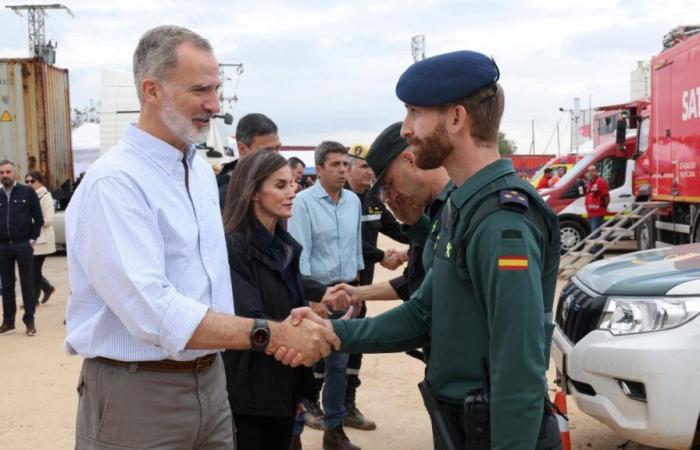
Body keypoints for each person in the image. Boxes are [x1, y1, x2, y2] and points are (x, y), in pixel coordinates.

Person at [63, 25, 339, 450]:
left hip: (212, 381)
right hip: (140, 395)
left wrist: (284, 319)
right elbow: (155, 313)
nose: (215, 105)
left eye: (217, 89)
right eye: (201, 90)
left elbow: (215, 285)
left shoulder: (198, 175)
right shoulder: (116, 183)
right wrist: (271, 333)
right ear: (152, 90)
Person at [292, 50, 562, 450]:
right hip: (461, 424)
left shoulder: (502, 221)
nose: (405, 129)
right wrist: (332, 331)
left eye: (415, 113)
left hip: (492, 433)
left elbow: (518, 369)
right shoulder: (461, 207)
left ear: (456, 119)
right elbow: (422, 314)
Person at [221, 151, 317, 450]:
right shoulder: (232, 247)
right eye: (280, 185)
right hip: (248, 394)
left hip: (281, 387)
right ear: (252, 193)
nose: (292, 192)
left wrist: (296, 388)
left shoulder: (285, 248)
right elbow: (250, 318)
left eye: (293, 183)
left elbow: (290, 310)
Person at [288, 141, 363, 450]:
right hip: (316, 296)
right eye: (335, 165)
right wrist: (311, 297)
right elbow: (299, 252)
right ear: (318, 169)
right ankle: (293, 435)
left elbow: (355, 245)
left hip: (345, 295)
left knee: (338, 366)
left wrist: (357, 287)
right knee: (303, 364)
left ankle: (334, 430)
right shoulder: (302, 202)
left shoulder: (353, 202)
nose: (343, 170)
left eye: (345, 164)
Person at [342, 143, 409, 431]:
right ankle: (312, 404)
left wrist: (420, 239)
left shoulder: (372, 199)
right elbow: (349, 243)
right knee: (329, 347)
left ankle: (347, 404)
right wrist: (382, 256)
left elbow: (395, 229)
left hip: (362, 287)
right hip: (337, 287)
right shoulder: (339, 200)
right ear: (348, 169)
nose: (370, 172)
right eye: (364, 167)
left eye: (371, 167)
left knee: (354, 346)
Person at [0, 160, 43, 336]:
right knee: (7, 286)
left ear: (16, 174)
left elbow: (38, 218)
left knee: (27, 284)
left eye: (8, 172)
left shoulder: (27, 192)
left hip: (23, 245)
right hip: (3, 247)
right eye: (2, 173)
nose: (5, 175)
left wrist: (32, 239)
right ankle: (8, 322)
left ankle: (29, 321)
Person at [216, 113, 282, 207]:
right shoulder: (220, 193)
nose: (275, 156)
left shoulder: (276, 183)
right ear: (242, 149)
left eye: (277, 148)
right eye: (267, 151)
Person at [25, 171, 56, 305]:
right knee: (33, 270)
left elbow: (49, 219)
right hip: (33, 240)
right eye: (27, 181)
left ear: (40, 182)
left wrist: (30, 221)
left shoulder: (45, 196)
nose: (29, 184)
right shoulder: (29, 196)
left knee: (33, 271)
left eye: (32, 181)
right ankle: (46, 288)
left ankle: (34, 300)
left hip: (42, 240)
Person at [585, 164, 609, 259]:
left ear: (597, 171)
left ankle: (597, 256)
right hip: (591, 213)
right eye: (589, 170)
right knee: (594, 234)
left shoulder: (601, 182)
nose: (590, 172)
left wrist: (604, 208)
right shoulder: (590, 183)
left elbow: (606, 197)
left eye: (593, 170)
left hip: (598, 213)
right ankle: (597, 254)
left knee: (596, 234)